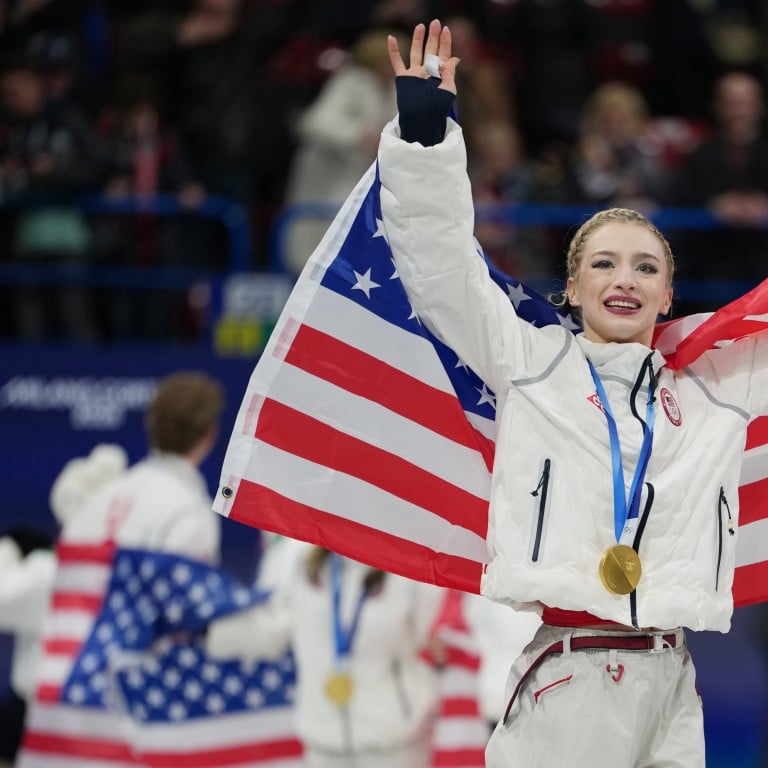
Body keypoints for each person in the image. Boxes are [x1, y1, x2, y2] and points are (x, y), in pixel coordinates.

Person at [379, 19, 768, 767]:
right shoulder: (532, 361)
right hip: (572, 671)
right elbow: (439, 266)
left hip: (674, 681)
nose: (626, 279)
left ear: (669, 296)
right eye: (606, 264)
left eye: (646, 268)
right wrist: (425, 138)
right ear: (572, 286)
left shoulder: (717, 384)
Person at [207, 535, 445, 768]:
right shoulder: (296, 553)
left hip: (395, 739)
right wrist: (204, 632)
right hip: (323, 738)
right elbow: (268, 630)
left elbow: (434, 636)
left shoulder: (411, 555)